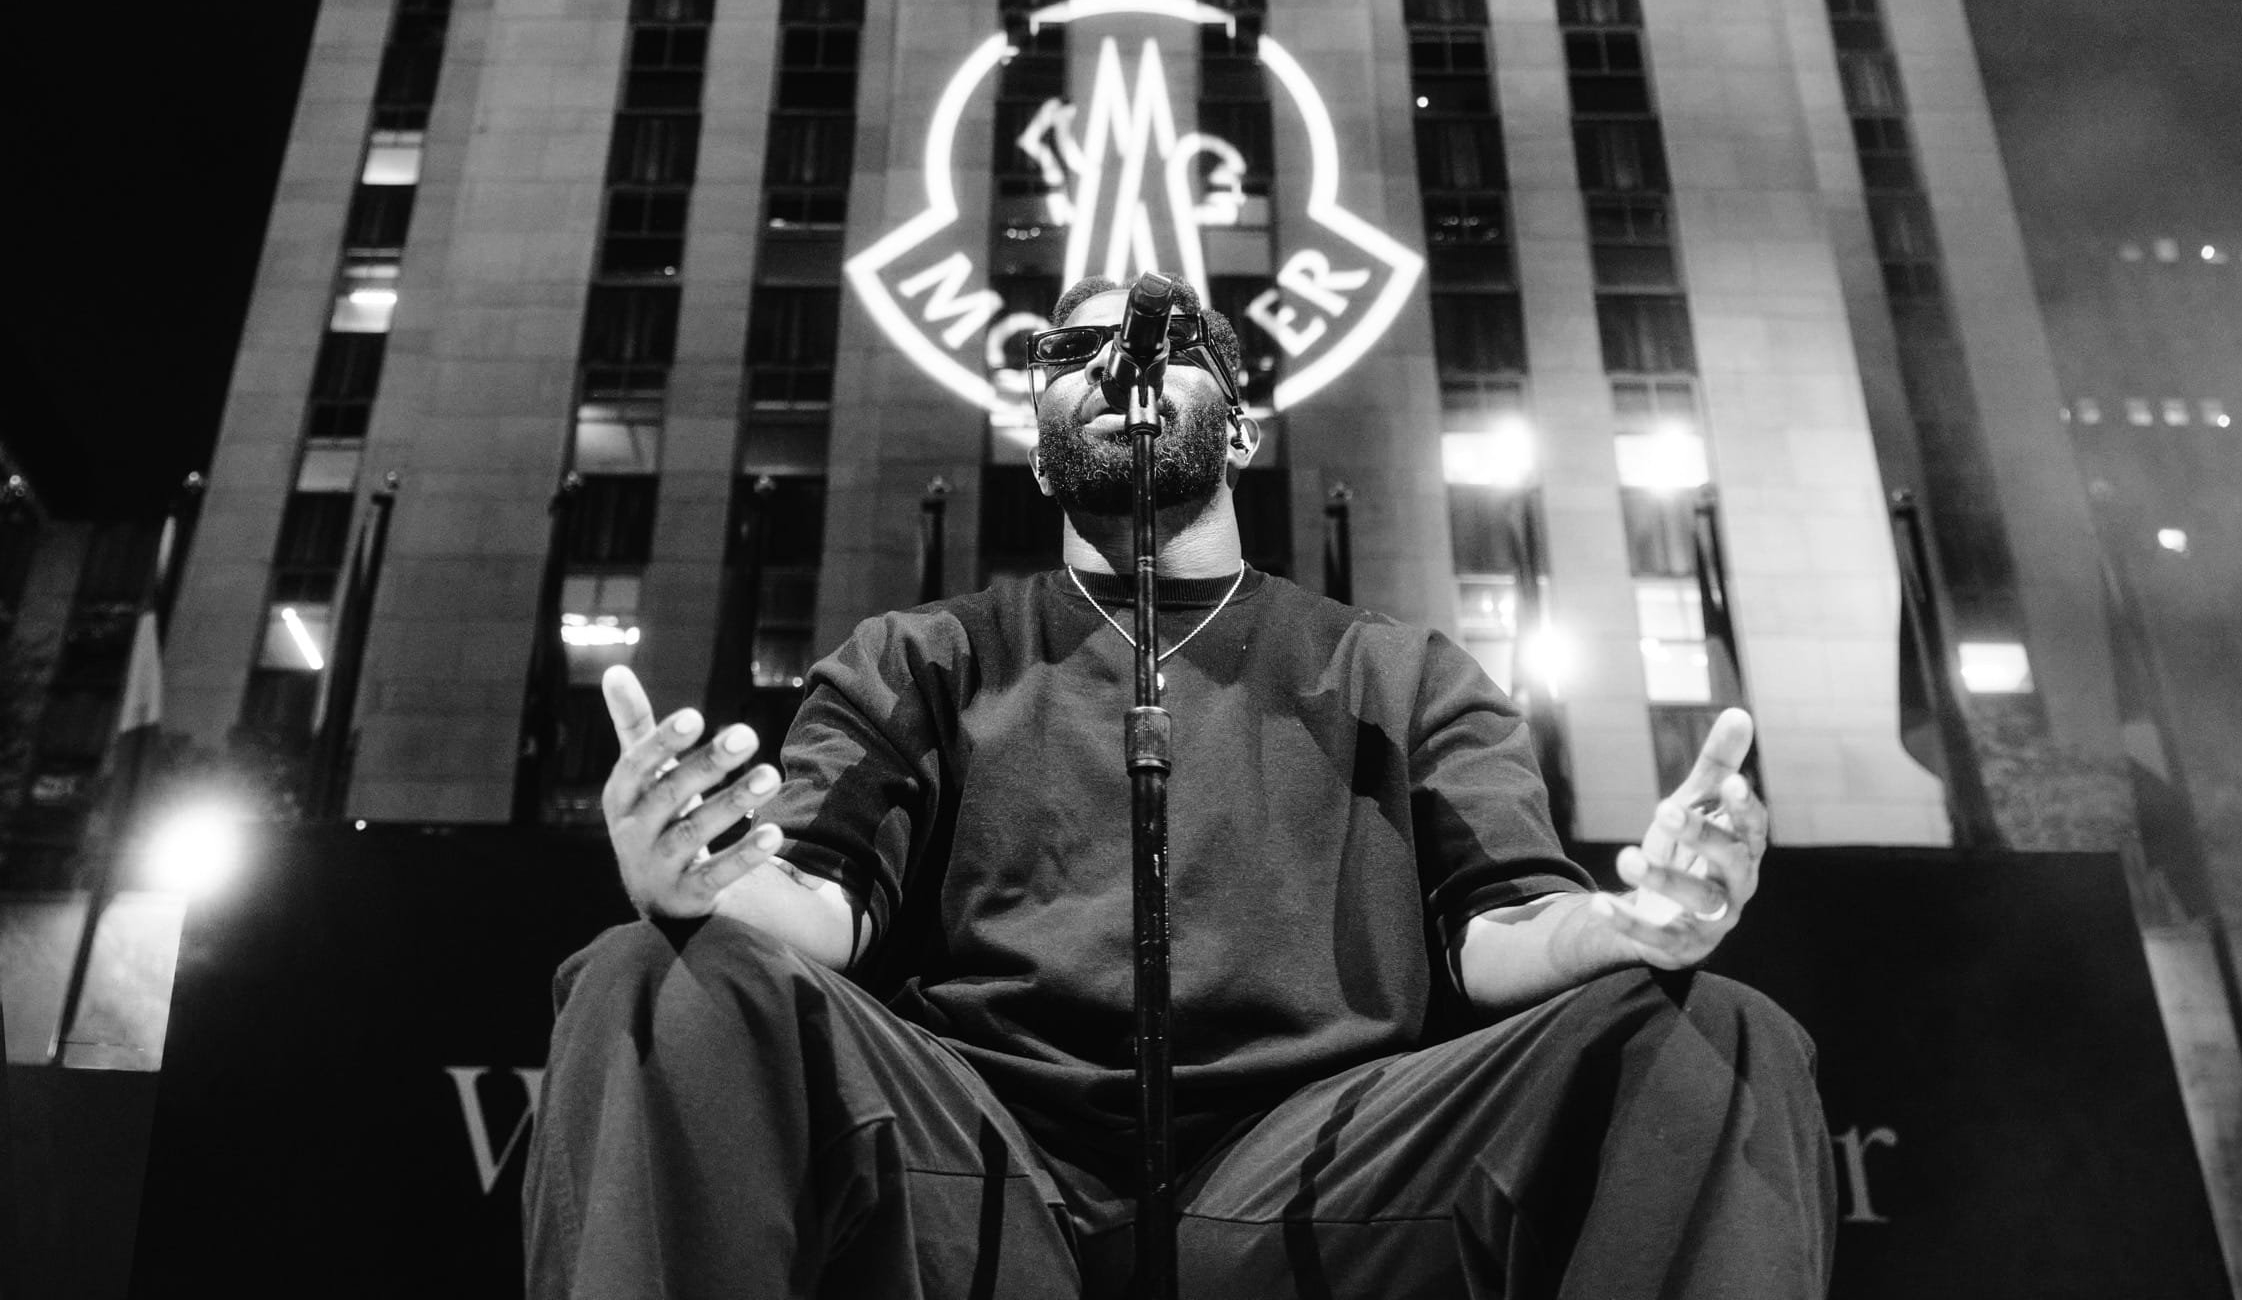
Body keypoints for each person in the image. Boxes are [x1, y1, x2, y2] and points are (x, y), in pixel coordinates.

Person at [526, 276, 1834, 1296]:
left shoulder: (1402, 673)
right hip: (979, 1158)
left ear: (1241, 425)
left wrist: (1627, 924)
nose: (1117, 363)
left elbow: (1504, 929)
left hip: (1320, 1169)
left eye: (1162, 342)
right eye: (1074, 350)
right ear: (1040, 443)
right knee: (650, 975)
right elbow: (818, 905)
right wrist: (695, 880)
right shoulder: (918, 658)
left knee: (1714, 1031)